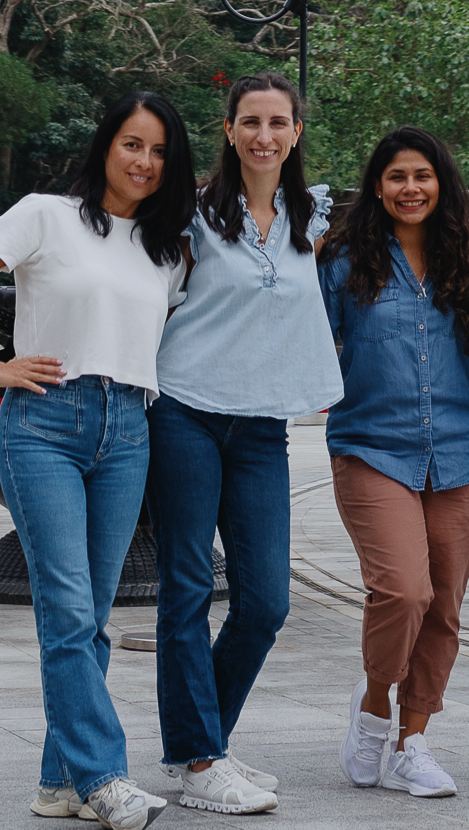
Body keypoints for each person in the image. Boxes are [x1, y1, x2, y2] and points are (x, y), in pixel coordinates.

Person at [0, 91, 197, 830]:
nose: (143, 161)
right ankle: (105, 776)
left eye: (158, 151)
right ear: (105, 146)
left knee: (94, 616)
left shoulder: (168, 249)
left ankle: (58, 784)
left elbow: (152, 329)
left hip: (128, 428)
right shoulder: (44, 214)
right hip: (45, 422)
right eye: (131, 144)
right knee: (69, 611)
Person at [147, 72, 344, 816]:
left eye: (278, 122)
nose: (264, 135)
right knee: (188, 589)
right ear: (227, 130)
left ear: (295, 132)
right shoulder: (192, 216)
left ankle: (204, 746)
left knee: (264, 600)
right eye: (250, 121)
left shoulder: (309, 216)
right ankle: (200, 759)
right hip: (185, 412)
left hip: (261, 426)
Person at [318, 127, 469, 800]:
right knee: (402, 591)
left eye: (422, 176)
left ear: (441, 186)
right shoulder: (340, 262)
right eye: (396, 176)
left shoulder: (468, 267)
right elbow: (296, 331)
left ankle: (411, 742)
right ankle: (371, 709)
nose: (410, 188)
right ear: (376, 187)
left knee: (444, 605)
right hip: (370, 447)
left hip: (458, 452)